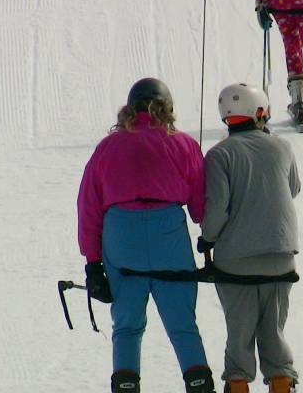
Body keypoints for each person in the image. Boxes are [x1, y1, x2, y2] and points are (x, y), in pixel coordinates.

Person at [77, 78, 215, 393]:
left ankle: (126, 386)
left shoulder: (107, 148)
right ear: (166, 108)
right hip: (168, 234)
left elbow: (89, 207)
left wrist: (92, 262)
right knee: (182, 325)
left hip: (121, 237)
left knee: (126, 326)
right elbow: (199, 206)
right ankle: (199, 384)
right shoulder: (182, 143)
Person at [199, 84, 300, 393]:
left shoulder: (219, 155)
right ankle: (282, 382)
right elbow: (293, 188)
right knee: (274, 333)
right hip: (281, 258)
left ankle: (239, 383)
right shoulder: (282, 147)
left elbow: (216, 208)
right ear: (260, 112)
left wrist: (207, 239)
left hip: (236, 264)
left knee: (239, 337)